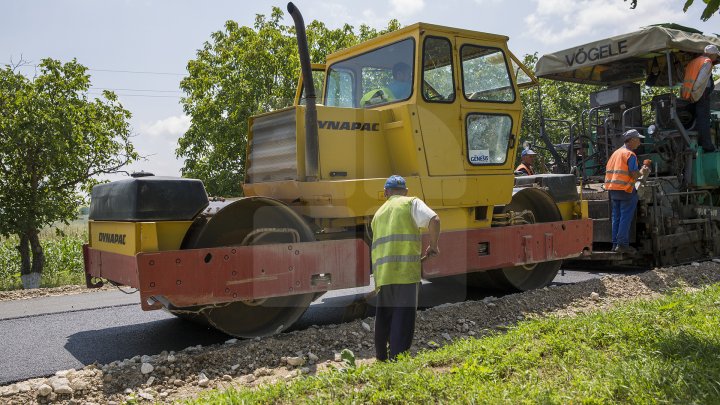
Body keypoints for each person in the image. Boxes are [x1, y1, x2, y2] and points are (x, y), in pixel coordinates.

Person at [371, 174, 440, 361]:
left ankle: (381, 357)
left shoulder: (378, 214)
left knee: (384, 316)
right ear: (406, 191)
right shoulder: (411, 203)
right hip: (405, 274)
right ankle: (397, 360)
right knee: (403, 317)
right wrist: (433, 246)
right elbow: (434, 219)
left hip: (383, 275)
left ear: (386, 192)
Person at [604, 129, 650, 254]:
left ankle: (615, 244)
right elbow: (634, 175)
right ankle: (623, 245)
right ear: (632, 140)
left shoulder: (616, 153)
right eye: (638, 140)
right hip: (626, 190)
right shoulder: (630, 154)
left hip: (613, 190)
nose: (639, 143)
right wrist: (643, 171)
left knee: (616, 217)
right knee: (625, 217)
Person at [681, 44, 720, 153]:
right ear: (711, 54)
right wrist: (695, 94)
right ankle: (707, 146)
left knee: (695, 118)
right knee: (704, 120)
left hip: (689, 94)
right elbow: (700, 81)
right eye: (716, 56)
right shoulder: (707, 62)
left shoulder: (694, 62)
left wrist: (691, 94)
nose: (716, 58)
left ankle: (696, 142)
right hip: (700, 93)